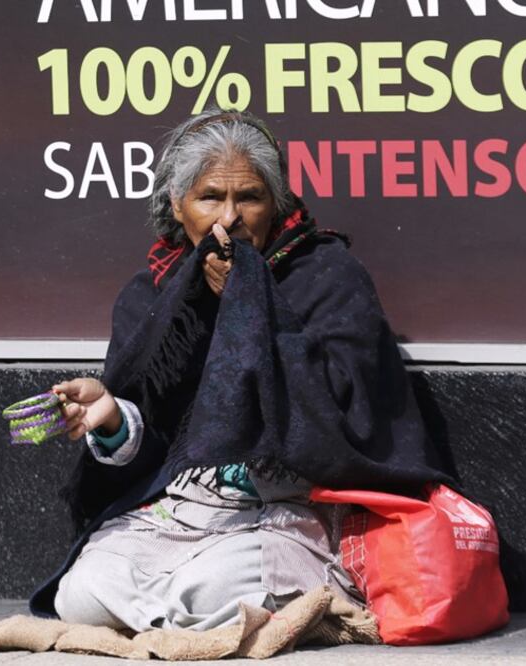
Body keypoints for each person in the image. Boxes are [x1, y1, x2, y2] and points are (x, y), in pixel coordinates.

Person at [29, 109, 454, 632]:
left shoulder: (325, 274)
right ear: (177, 206)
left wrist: (250, 303)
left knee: (214, 590)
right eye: (210, 197)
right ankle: (191, 620)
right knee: (82, 593)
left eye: (249, 198)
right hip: (188, 505)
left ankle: (183, 617)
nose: (230, 218)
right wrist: (115, 419)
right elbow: (155, 440)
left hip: (293, 504)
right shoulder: (153, 297)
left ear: (275, 207)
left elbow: (350, 410)